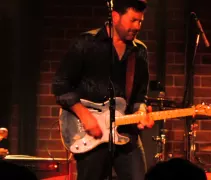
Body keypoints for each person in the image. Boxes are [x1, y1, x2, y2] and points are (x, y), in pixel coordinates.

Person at [52, 0, 154, 180]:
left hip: (126, 133)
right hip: (90, 134)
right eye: (133, 20)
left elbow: (139, 95)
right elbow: (60, 85)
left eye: (140, 21)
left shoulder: (140, 52)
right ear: (115, 17)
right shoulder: (86, 43)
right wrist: (85, 116)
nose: (137, 26)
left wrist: (141, 110)